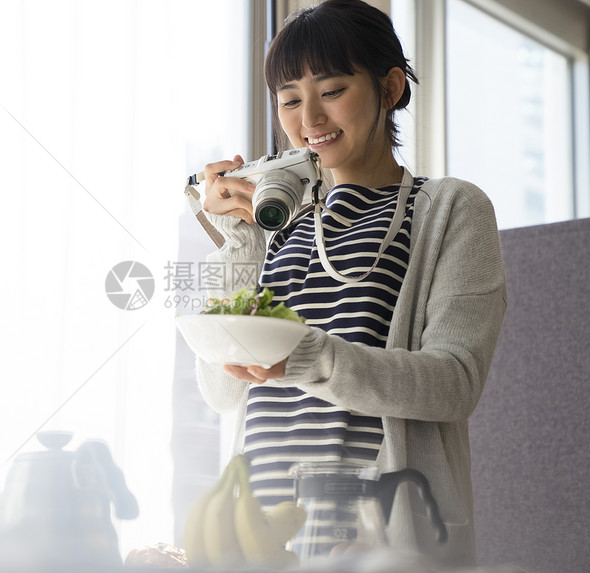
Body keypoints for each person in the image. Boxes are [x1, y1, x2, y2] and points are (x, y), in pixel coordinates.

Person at [194, 0, 506, 567]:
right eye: (289, 100)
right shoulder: (281, 222)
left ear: (389, 89)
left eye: (332, 91)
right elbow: (220, 391)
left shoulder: (449, 209)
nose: (308, 119)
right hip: (262, 537)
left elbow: (455, 382)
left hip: (384, 536)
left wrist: (308, 357)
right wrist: (237, 238)